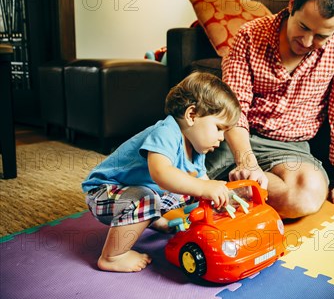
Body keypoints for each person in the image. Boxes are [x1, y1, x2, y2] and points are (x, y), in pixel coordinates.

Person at [206, 0, 334, 219]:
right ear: (292, 3)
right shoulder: (249, 35)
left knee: (306, 195)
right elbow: (233, 107)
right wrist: (246, 162)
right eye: (303, 27)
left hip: (289, 150)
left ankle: (211, 194)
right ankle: (213, 189)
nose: (306, 41)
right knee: (164, 170)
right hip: (236, 137)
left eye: (320, 36)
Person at [82, 72, 240, 272]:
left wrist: (223, 199)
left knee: (191, 193)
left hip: (133, 193)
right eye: (219, 128)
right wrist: (204, 187)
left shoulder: (197, 150)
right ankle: (112, 256)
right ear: (192, 115)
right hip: (103, 193)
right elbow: (161, 174)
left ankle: (154, 220)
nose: (222, 138)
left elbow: (201, 186)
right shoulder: (166, 132)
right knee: (147, 198)